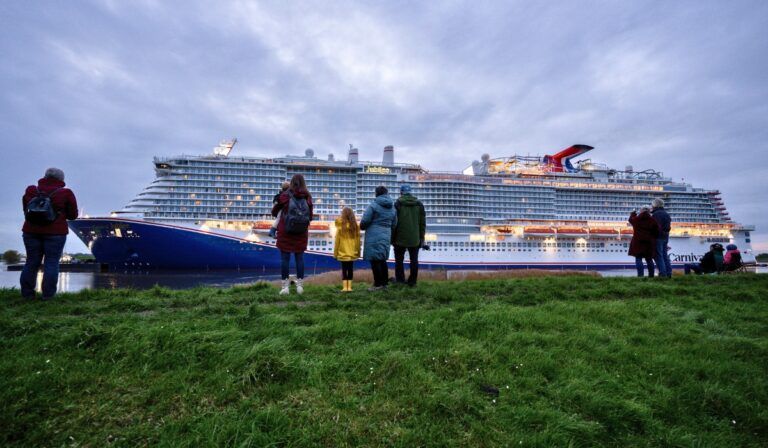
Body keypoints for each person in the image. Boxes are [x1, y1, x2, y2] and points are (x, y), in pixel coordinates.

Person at [20, 167, 79, 300]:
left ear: (45, 177)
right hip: (56, 233)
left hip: (31, 231)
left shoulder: (31, 190)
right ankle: (48, 296)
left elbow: (26, 209)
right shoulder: (66, 193)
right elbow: (73, 216)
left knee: (31, 262)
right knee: (51, 263)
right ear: (61, 179)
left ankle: (27, 295)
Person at [272, 174, 313, 295]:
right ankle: (300, 287)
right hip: (301, 233)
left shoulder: (285, 195)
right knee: (299, 259)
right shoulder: (307, 196)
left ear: (291, 182)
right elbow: (310, 217)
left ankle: (285, 288)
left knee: (285, 259)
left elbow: (275, 211)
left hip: (286, 232)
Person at [360, 186, 397, 291]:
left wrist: (362, 227)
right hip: (386, 235)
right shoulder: (392, 208)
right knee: (382, 259)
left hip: (373, 235)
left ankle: (377, 285)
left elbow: (365, 221)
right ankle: (384, 284)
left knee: (375, 260)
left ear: (376, 194)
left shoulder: (373, 206)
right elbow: (394, 224)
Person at [392, 184, 426, 286]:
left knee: (399, 260)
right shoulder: (419, 204)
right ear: (410, 192)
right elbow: (422, 223)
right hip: (415, 237)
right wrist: (421, 238)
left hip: (399, 237)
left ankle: (400, 281)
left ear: (401, 192)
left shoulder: (397, 204)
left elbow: (394, 223)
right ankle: (412, 282)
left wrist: (392, 238)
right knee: (414, 260)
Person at [333, 207, 361, 292]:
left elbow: (337, 240)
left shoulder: (340, 226)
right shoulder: (355, 226)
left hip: (342, 251)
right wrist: (358, 252)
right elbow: (358, 241)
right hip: (352, 251)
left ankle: (345, 287)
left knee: (344, 269)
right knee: (351, 269)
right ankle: (350, 287)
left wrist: (335, 253)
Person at [628, 207, 658, 277]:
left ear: (641, 211)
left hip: (638, 243)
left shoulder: (636, 219)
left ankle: (640, 276)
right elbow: (657, 231)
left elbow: (630, 220)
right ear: (649, 211)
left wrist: (633, 213)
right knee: (649, 259)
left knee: (638, 259)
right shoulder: (652, 220)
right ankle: (651, 276)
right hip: (649, 243)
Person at [651, 198, 672, 278]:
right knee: (664, 255)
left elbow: (655, 227)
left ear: (655, 205)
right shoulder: (666, 214)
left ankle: (662, 273)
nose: (651, 206)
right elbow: (668, 227)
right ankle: (669, 273)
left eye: (652, 204)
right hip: (665, 237)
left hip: (658, 237)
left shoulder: (656, 214)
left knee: (658, 255)